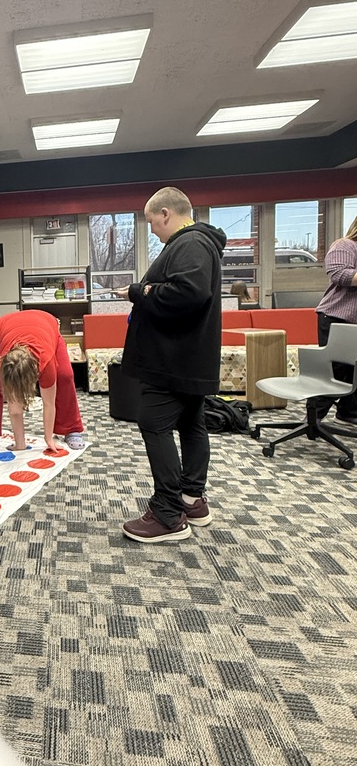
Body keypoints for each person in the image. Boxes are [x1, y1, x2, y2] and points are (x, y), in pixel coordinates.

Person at [116, 187, 226, 543]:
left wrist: (140, 291)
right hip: (186, 358)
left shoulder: (190, 243)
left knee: (154, 423)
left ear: (166, 213)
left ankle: (167, 514)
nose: (152, 230)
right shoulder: (196, 243)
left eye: (151, 222)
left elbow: (188, 293)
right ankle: (192, 500)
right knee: (191, 423)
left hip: (174, 359)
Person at [0, 309, 84, 452]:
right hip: (6, 328)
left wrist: (48, 438)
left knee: (65, 375)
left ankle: (72, 428)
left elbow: (49, 404)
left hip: (47, 326)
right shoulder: (7, 363)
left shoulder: (46, 361)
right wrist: (20, 444)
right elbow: (15, 410)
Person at [315, 216, 357, 423]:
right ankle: (313, 418)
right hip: (338, 317)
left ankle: (348, 413)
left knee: (355, 372)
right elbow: (340, 275)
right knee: (335, 371)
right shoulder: (345, 245)